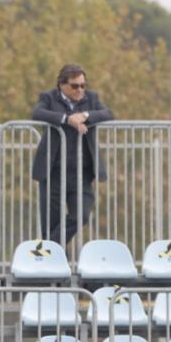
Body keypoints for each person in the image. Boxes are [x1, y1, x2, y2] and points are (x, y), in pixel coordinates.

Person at [31, 63, 114, 245]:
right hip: (52, 170)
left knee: (81, 216)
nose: (80, 90)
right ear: (62, 84)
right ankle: (55, 264)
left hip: (81, 173)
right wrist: (67, 119)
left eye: (83, 85)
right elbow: (37, 113)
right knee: (50, 221)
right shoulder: (49, 97)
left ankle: (47, 246)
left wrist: (85, 116)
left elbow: (108, 113)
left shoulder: (91, 98)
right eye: (75, 86)